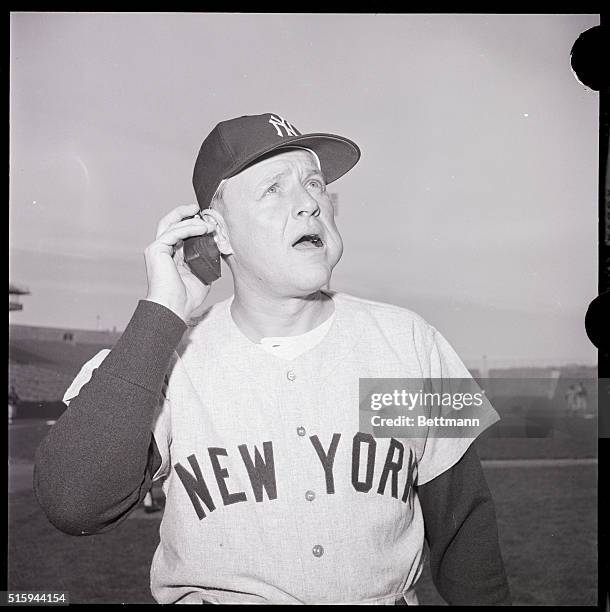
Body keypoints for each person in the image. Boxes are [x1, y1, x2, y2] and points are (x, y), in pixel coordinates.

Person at [34, 113, 511, 605]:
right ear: (216, 233)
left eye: (314, 184)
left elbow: (467, 530)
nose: (308, 203)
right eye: (273, 189)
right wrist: (162, 313)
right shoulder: (168, 358)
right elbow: (74, 504)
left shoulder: (408, 339)